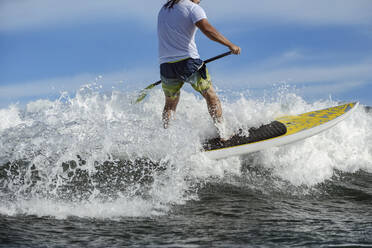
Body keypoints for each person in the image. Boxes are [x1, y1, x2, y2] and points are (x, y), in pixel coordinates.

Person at [158, 0, 241, 139]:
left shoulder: (164, 9)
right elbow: (208, 30)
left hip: (166, 66)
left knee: (170, 104)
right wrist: (230, 45)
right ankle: (223, 133)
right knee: (211, 96)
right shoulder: (192, 8)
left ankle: (167, 140)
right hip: (188, 63)